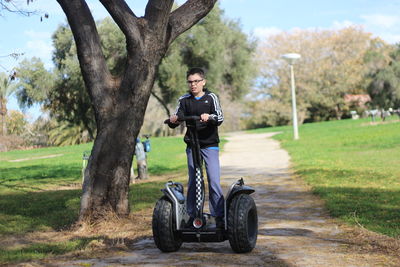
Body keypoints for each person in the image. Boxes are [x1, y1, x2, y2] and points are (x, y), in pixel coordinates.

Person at [167, 67, 224, 228]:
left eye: (196, 81)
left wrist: (209, 116)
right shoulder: (184, 100)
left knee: (213, 180)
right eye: (190, 82)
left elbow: (219, 117)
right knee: (193, 180)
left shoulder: (211, 97)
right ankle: (191, 216)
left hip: (209, 145)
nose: (193, 85)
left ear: (203, 82)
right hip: (192, 145)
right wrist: (174, 119)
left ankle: (218, 216)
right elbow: (177, 117)